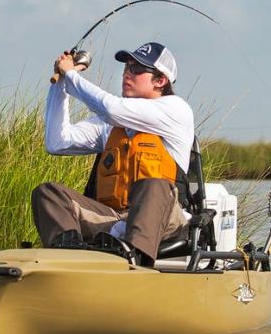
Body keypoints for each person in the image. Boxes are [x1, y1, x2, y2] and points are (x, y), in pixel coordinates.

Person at [32, 42, 195, 266]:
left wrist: (71, 75)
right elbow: (57, 142)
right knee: (48, 193)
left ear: (160, 81)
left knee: (153, 185)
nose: (127, 74)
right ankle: (70, 258)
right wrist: (60, 85)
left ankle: (134, 263)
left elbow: (111, 108)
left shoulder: (175, 110)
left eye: (136, 70)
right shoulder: (110, 126)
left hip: (166, 218)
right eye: (126, 68)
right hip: (114, 217)